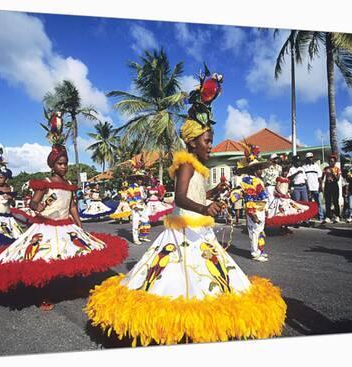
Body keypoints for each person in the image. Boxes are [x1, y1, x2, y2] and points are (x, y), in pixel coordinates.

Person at [86, 68, 286, 345]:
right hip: (182, 231)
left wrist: (215, 192)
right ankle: (181, 325)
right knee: (176, 280)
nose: (210, 146)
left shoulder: (199, 168)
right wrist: (205, 209)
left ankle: (201, 324)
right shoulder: (185, 164)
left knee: (210, 279)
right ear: (192, 142)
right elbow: (180, 198)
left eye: (211, 141)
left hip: (200, 231)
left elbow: (197, 195)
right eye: (207, 141)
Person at [0, 112, 128, 311]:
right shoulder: (45, 183)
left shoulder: (69, 184)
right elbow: (33, 203)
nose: (64, 166)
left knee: (75, 255)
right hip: (46, 227)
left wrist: (79, 225)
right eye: (60, 163)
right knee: (44, 261)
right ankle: (44, 295)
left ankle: (75, 286)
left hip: (66, 226)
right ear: (52, 165)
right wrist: (37, 207)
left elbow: (73, 205)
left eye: (66, 163)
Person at [237, 145, 272, 261]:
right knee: (254, 232)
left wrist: (265, 209)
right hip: (255, 210)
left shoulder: (258, 180)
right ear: (253, 170)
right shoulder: (248, 181)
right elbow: (249, 199)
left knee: (260, 231)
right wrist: (252, 214)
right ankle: (255, 253)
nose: (261, 170)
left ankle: (260, 251)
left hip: (260, 209)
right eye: (259, 168)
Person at [127, 175, 151, 245]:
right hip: (136, 207)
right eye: (139, 179)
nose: (140, 181)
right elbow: (129, 198)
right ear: (136, 180)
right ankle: (135, 239)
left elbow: (144, 197)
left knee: (145, 221)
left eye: (141, 179)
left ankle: (143, 236)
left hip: (142, 206)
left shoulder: (142, 187)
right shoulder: (131, 188)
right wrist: (134, 206)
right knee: (136, 223)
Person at [302, 152, 324, 222]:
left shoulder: (316, 166)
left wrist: (321, 186)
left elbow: (319, 177)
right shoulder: (304, 167)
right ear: (306, 159)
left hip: (316, 187)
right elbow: (304, 179)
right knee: (308, 204)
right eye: (309, 158)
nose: (310, 159)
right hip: (308, 188)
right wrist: (307, 187)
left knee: (318, 203)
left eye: (311, 157)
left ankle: (321, 217)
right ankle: (308, 218)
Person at [322, 154, 341, 223]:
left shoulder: (337, 169)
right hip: (327, 185)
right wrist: (321, 186)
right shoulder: (325, 168)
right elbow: (322, 177)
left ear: (335, 162)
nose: (331, 162)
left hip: (334, 185)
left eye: (332, 161)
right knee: (328, 202)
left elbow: (337, 179)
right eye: (330, 161)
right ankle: (328, 216)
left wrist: (333, 172)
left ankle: (337, 216)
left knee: (336, 201)